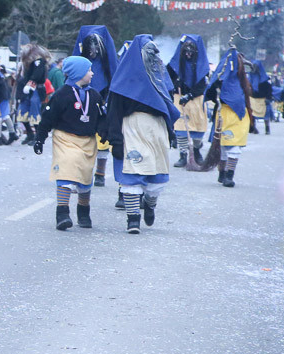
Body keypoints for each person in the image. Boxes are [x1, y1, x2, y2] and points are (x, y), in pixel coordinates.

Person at [104, 35, 179, 234]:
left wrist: (170, 132)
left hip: (157, 128)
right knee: (132, 175)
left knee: (156, 179)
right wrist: (115, 140)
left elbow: (168, 105)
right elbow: (114, 111)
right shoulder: (124, 77)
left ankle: (150, 203)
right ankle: (133, 220)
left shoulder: (160, 77)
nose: (154, 56)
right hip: (132, 128)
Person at [34, 56, 105, 230]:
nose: (92, 73)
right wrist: (40, 138)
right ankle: (62, 213)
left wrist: (106, 133)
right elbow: (47, 118)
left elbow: (103, 118)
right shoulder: (61, 95)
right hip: (65, 139)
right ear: (78, 73)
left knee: (85, 177)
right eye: (89, 70)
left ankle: (83, 210)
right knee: (65, 172)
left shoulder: (94, 95)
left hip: (87, 141)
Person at [73, 25, 118, 189]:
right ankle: (81, 172)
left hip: (102, 102)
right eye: (89, 49)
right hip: (82, 103)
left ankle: (100, 172)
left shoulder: (108, 64)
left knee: (102, 139)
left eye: (95, 49)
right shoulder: (81, 64)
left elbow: (113, 77)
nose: (92, 52)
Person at [205, 48, 252, 188]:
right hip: (223, 113)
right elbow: (211, 93)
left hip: (239, 115)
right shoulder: (221, 78)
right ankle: (222, 172)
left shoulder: (243, 79)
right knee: (223, 146)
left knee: (234, 146)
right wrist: (217, 87)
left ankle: (229, 175)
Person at [167, 34, 210, 167]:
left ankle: (196, 151)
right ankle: (183, 155)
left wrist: (190, 95)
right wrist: (175, 84)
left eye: (191, 52)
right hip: (180, 99)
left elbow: (203, 84)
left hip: (196, 100)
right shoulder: (174, 65)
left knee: (198, 127)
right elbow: (167, 78)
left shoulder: (202, 66)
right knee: (181, 127)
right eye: (186, 52)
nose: (188, 55)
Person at [16, 44, 50, 145]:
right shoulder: (27, 63)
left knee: (35, 113)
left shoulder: (39, 62)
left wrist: (31, 82)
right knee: (22, 112)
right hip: (26, 89)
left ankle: (38, 137)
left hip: (36, 89)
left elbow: (37, 75)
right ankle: (30, 134)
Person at [247, 59, 273, 135]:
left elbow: (269, 89)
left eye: (256, 66)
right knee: (252, 115)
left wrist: (268, 98)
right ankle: (253, 127)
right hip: (253, 99)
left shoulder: (264, 80)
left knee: (266, 115)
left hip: (263, 100)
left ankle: (267, 128)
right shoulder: (250, 78)